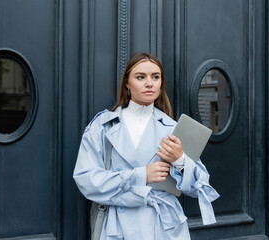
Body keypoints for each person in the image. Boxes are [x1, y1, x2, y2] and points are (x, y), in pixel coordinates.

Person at [73, 52, 219, 239]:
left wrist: (180, 160)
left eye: (155, 77)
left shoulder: (174, 129)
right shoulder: (103, 126)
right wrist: (141, 175)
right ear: (127, 83)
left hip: (164, 227)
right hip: (119, 225)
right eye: (140, 77)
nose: (149, 83)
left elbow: (201, 187)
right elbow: (86, 179)